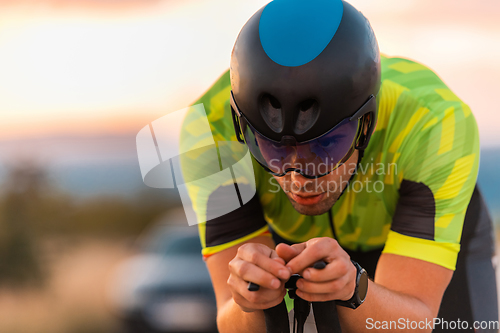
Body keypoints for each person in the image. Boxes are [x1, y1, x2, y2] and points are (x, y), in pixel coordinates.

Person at [180, 0, 498, 332]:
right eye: (273, 147)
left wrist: (355, 290)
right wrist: (251, 301)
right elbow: (231, 318)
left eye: (325, 145)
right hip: (288, 234)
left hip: (409, 235)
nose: (298, 177)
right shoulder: (207, 131)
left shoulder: (435, 125)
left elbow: (414, 319)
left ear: (366, 124)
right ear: (242, 127)